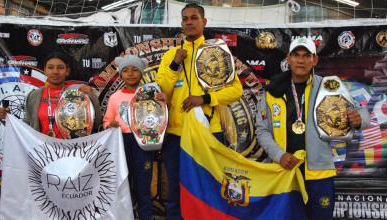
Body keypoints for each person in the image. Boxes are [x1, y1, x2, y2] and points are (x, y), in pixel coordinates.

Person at [255, 37, 370, 220]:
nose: (301, 60)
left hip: (319, 172)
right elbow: (261, 130)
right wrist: (279, 155)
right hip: (283, 172)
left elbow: (363, 114)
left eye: (307, 55)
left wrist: (357, 119)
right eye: (296, 55)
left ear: (314, 60)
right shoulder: (272, 91)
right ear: (288, 59)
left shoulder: (329, 86)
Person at [156, 3, 243, 219]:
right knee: (176, 189)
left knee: (210, 186)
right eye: (185, 18)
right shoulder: (170, 55)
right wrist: (176, 64)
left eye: (194, 18)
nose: (189, 22)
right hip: (177, 133)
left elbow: (236, 91)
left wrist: (204, 99)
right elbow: (163, 88)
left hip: (209, 131)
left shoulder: (217, 52)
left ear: (204, 22)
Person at [103, 55, 165, 220]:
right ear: (120, 74)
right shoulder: (115, 97)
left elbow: (160, 118)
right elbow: (107, 120)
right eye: (126, 70)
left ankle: (145, 216)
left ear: (142, 72)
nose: (130, 73)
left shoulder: (151, 94)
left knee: (143, 185)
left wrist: (163, 103)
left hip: (144, 143)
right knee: (122, 183)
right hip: (121, 142)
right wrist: (110, 125)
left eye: (135, 69)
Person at [7, 51, 102, 138]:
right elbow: (26, 126)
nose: (55, 72)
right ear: (44, 70)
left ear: (67, 71)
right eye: (50, 67)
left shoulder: (78, 93)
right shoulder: (33, 96)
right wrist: (7, 119)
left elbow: (96, 122)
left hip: (72, 150)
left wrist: (90, 95)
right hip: (43, 151)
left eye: (60, 68)